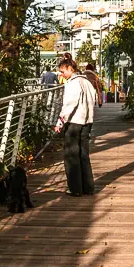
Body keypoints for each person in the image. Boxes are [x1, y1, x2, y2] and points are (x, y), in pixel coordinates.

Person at [53, 58, 97, 196]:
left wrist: (60, 121)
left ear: (70, 68)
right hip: (87, 121)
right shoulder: (86, 82)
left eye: (62, 71)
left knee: (71, 155)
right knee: (84, 155)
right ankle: (88, 187)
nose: (61, 74)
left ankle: (75, 188)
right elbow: (94, 98)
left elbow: (69, 104)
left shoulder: (73, 83)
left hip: (74, 122)